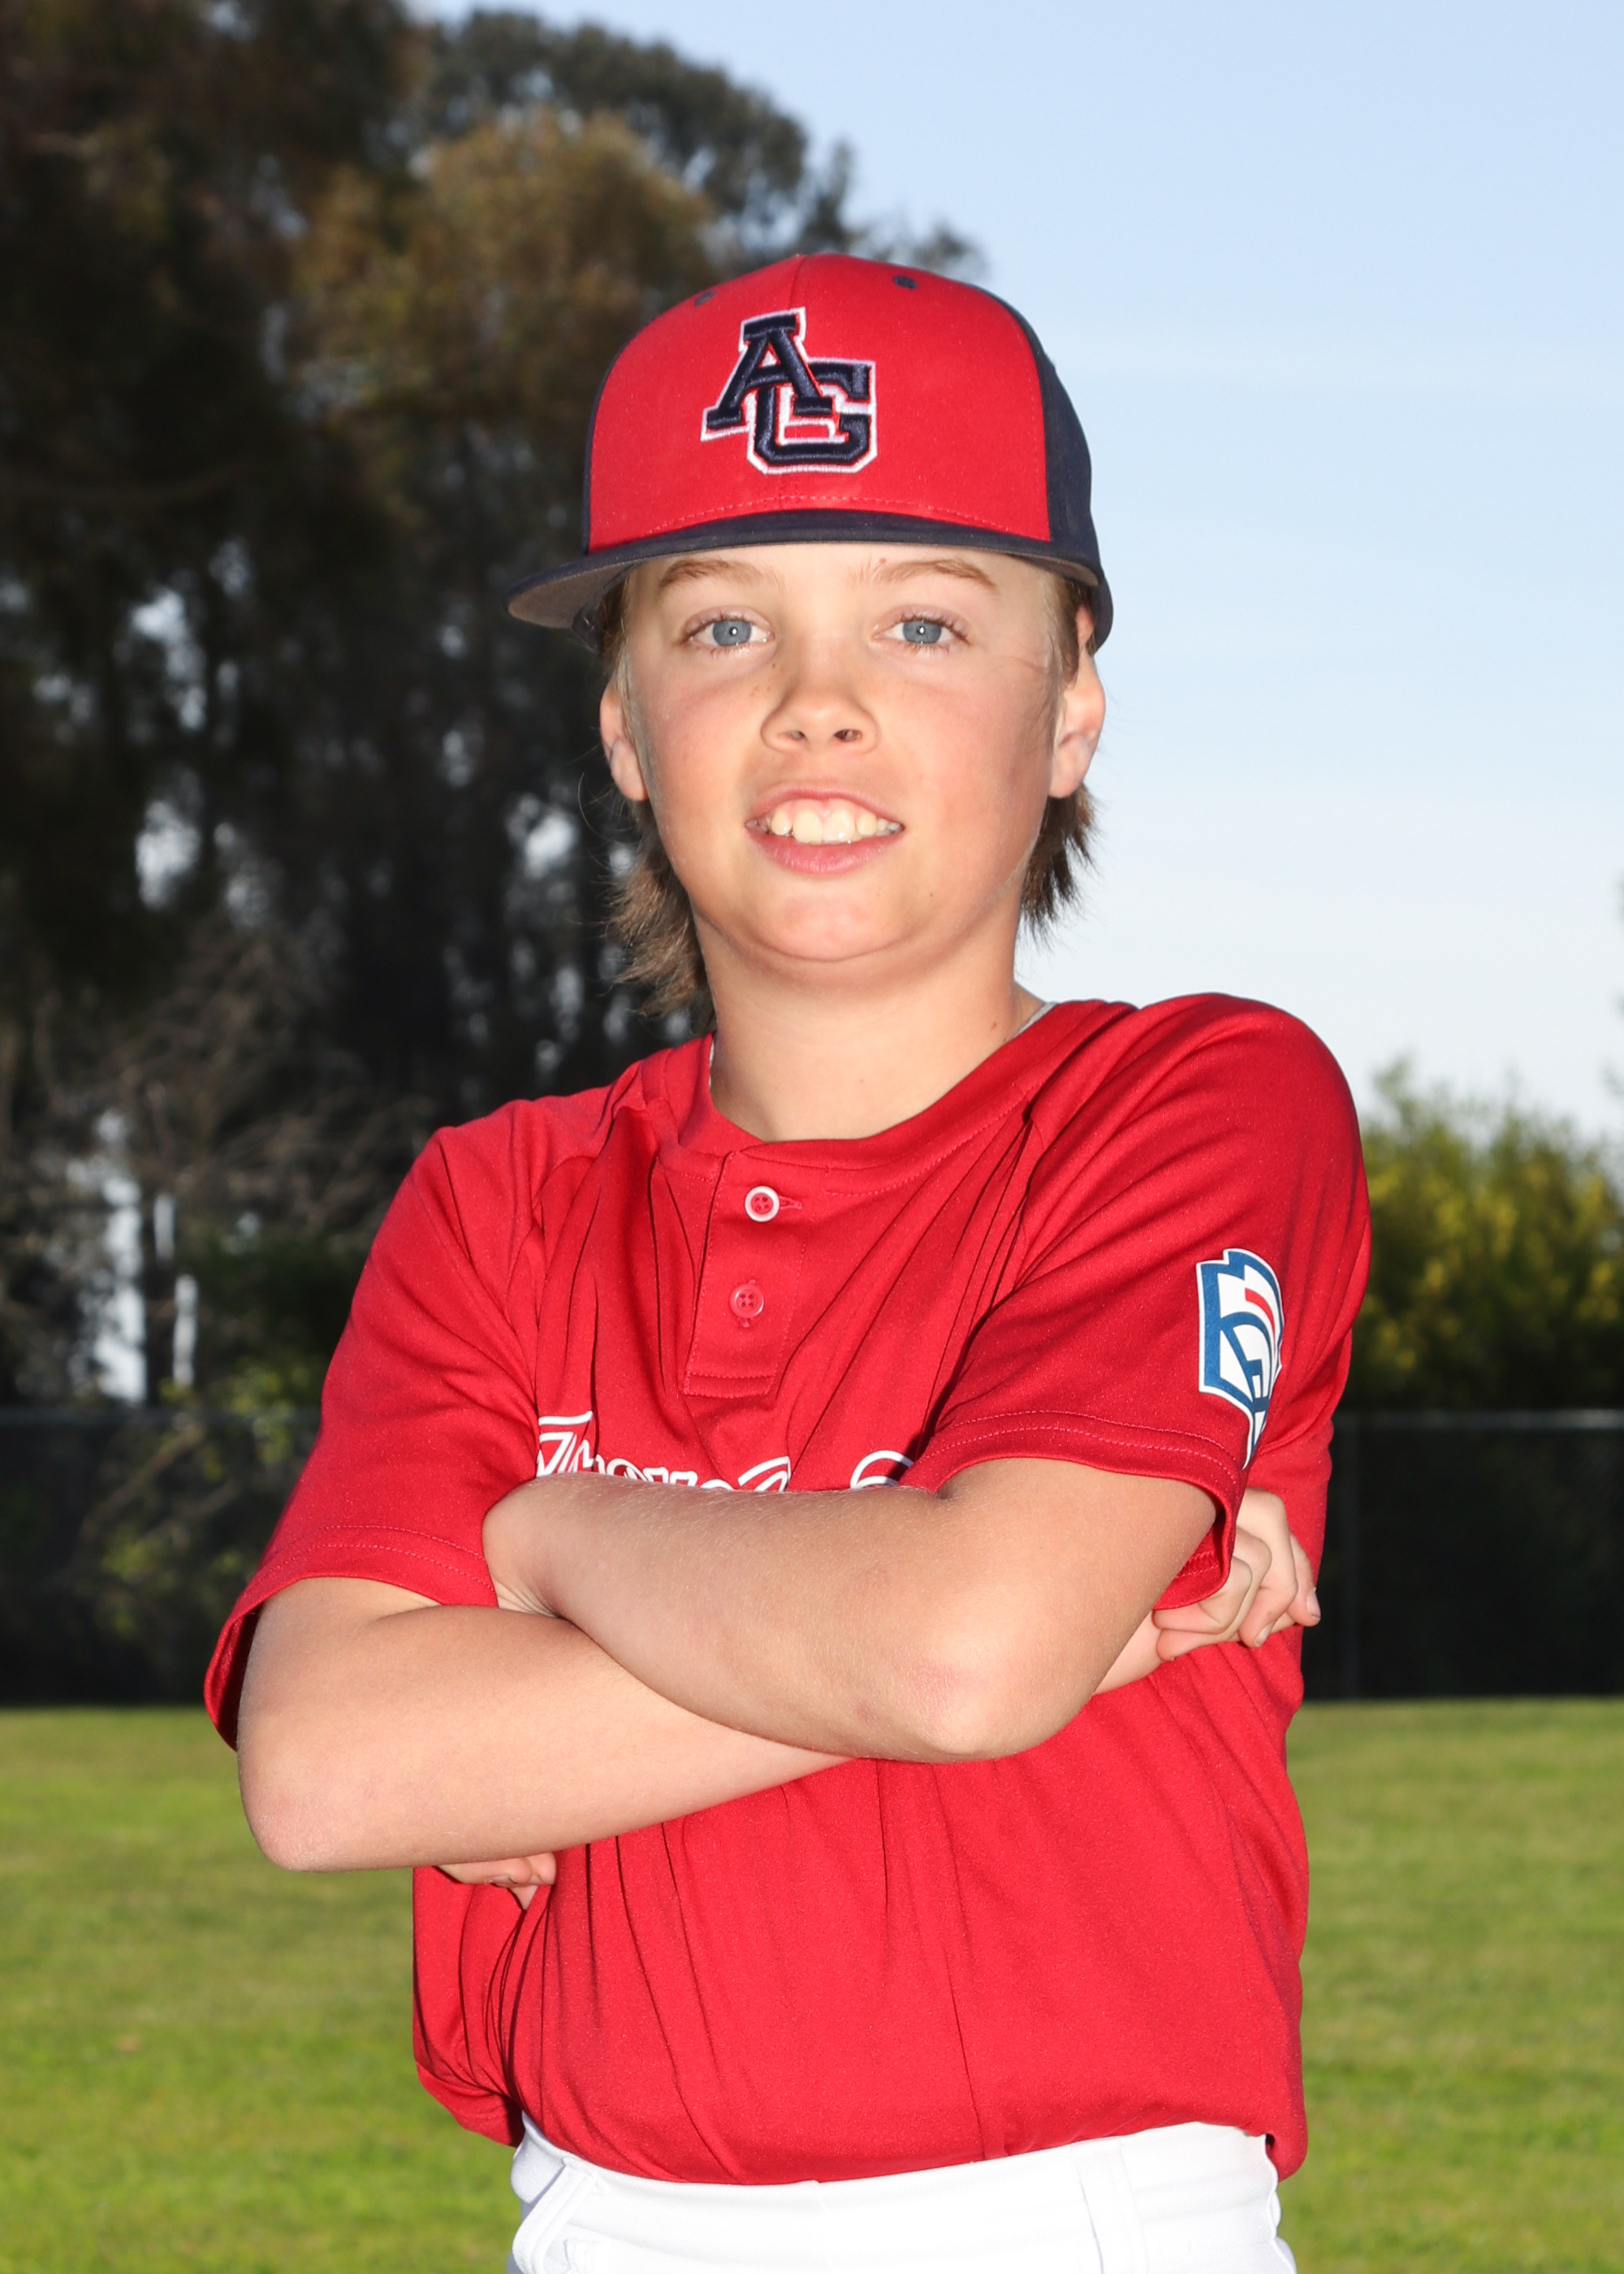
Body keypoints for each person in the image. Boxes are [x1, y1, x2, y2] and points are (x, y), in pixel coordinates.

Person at [208, 254, 1370, 2274]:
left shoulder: (1193, 1101)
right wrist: (1023, 1634)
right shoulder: (502, 1195)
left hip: (1080, 2216)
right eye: (723, 624)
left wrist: (552, 1539)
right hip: (605, 2216)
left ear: (1069, 708)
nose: (816, 699)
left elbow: (965, 1647)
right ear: (627, 728)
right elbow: (326, 1764)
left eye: (924, 620)